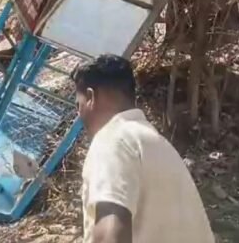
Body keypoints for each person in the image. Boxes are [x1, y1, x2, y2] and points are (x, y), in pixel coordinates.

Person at [72, 54, 215, 243]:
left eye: (78, 104)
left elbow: (111, 229)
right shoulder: (158, 145)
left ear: (90, 97)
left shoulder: (113, 140)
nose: (78, 114)